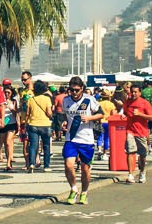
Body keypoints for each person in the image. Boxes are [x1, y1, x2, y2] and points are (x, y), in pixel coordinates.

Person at [60, 77, 103, 205]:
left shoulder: (89, 100)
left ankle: (84, 192)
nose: (74, 92)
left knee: (85, 168)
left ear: (82, 89)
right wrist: (64, 122)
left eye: (77, 90)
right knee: (68, 164)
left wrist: (89, 118)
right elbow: (65, 115)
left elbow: (101, 114)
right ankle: (73, 188)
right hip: (71, 138)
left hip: (86, 139)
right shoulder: (66, 100)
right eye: (71, 90)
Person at [120, 81, 152, 184]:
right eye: (132, 92)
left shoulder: (144, 103)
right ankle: (130, 174)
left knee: (142, 155)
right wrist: (124, 115)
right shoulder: (128, 102)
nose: (133, 94)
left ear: (140, 93)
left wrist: (140, 114)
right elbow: (125, 111)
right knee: (130, 152)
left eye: (135, 92)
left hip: (141, 131)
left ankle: (142, 171)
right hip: (130, 130)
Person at [23, 79, 52, 172]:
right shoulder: (47, 99)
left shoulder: (31, 100)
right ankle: (46, 166)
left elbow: (27, 113)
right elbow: (49, 113)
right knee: (46, 146)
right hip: (45, 124)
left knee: (33, 146)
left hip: (33, 124)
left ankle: (31, 164)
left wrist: (25, 124)